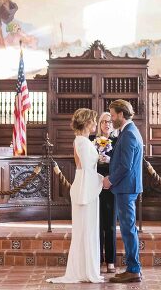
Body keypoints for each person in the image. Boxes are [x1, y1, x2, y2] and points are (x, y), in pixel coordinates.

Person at [47, 108, 104, 284]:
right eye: (93, 121)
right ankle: (86, 271)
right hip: (86, 187)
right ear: (86, 122)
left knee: (85, 230)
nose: (95, 123)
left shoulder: (81, 140)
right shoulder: (84, 143)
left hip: (83, 184)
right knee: (86, 230)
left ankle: (84, 269)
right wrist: (103, 180)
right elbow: (86, 169)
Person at [103, 99, 144, 283]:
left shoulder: (128, 134)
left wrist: (110, 180)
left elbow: (126, 166)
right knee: (129, 228)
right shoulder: (128, 131)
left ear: (121, 114)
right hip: (127, 187)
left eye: (112, 115)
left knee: (128, 229)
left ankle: (134, 269)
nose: (111, 119)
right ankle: (132, 268)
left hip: (126, 188)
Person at [89, 112, 117, 273]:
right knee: (97, 224)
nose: (107, 124)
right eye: (104, 122)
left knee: (111, 225)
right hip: (96, 185)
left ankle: (111, 261)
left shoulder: (118, 141)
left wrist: (110, 160)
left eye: (110, 122)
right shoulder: (92, 141)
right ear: (99, 124)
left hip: (112, 186)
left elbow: (121, 163)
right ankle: (98, 259)